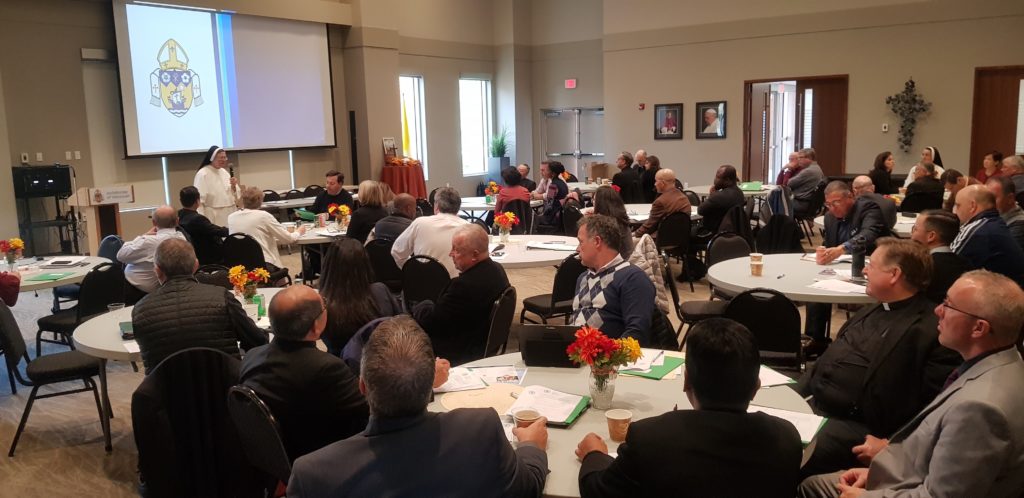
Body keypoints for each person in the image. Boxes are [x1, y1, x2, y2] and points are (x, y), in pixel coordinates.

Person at [798, 271, 1024, 498]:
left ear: (979, 328)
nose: (938, 311)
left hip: (914, 487)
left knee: (810, 486)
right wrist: (884, 468)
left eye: (949, 306)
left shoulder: (980, 409)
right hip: (910, 472)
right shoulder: (1005, 363)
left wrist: (866, 496)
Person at [287, 316, 550, 497]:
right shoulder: (481, 429)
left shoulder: (313, 474)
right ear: (431, 384)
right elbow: (526, 489)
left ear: (362, 387)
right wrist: (531, 446)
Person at [576, 318, 802, 498]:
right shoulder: (787, 438)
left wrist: (594, 454)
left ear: (686, 382)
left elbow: (598, 491)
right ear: (756, 388)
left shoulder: (651, 439)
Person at [797, 238, 961, 477]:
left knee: (779, 448)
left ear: (894, 275)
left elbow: (933, 407)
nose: (864, 270)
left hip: (861, 429)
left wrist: (892, 446)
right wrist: (794, 396)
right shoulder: (872, 308)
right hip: (813, 405)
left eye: (871, 265)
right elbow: (825, 360)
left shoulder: (931, 331)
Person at [239, 284, 369, 463]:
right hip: (320, 459)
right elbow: (370, 408)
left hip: (271, 456)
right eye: (324, 305)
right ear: (315, 326)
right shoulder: (327, 368)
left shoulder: (251, 357)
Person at [131, 238, 268, 373]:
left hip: (165, 387)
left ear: (157, 270)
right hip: (225, 383)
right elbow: (257, 340)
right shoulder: (222, 297)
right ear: (196, 265)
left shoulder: (141, 310)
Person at [805, 181, 889, 352]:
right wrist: (825, 252)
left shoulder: (868, 209)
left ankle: (860, 347)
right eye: (828, 204)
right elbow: (830, 244)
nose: (832, 208)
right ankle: (815, 341)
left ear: (850, 196)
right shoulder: (829, 218)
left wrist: (842, 249)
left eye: (836, 202)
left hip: (870, 268)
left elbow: (868, 234)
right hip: (840, 270)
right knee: (815, 292)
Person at [412, 224, 509, 365]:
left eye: (456, 250)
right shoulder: (497, 270)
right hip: (479, 340)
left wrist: (422, 306)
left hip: (457, 350)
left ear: (474, 255)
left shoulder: (464, 286)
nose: (450, 254)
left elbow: (431, 323)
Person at [572, 215, 655, 345]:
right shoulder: (583, 278)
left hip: (610, 356)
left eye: (581, 242)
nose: (577, 249)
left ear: (597, 241)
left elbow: (637, 334)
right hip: (578, 352)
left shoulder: (633, 278)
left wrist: (606, 354)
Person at [319, 238, 401, 355]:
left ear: (328, 266)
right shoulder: (381, 292)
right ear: (365, 264)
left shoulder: (321, 304)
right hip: (380, 359)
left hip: (338, 363)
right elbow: (401, 324)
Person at [950, 185, 1024, 286]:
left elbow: (948, 262)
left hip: (1000, 293)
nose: (955, 211)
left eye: (958, 205)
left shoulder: (977, 230)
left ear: (972, 206)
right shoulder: (994, 223)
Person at [391, 186, 467, 278]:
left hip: (424, 283)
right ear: (458, 207)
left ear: (436, 206)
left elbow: (397, 251)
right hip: (459, 284)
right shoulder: (469, 228)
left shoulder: (419, 223)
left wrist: (413, 271)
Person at [117, 205, 186, 300]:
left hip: (139, 292)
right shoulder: (182, 239)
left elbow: (121, 255)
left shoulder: (148, 241)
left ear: (154, 222)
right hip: (170, 291)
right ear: (177, 221)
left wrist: (143, 236)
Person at [228, 187, 305, 272]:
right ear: (260, 201)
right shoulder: (263, 216)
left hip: (238, 266)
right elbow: (288, 239)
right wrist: (299, 231)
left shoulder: (231, 217)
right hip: (262, 265)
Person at [909, 209, 973, 303]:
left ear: (931, 236)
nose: (911, 234)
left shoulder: (922, 267)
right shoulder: (965, 264)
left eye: (915, 229)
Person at [634, 168, 691, 240]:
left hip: (662, 239)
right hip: (682, 239)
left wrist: (635, 234)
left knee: (628, 242)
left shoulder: (660, 202)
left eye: (656, 181)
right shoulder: (684, 198)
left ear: (662, 183)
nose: (655, 184)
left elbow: (649, 226)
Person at [178, 186, 227, 265]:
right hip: (207, 257)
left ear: (181, 201)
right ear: (197, 201)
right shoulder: (198, 219)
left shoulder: (177, 215)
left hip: (191, 254)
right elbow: (220, 232)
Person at [192, 146, 239, 227]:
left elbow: (234, 194)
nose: (224, 160)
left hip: (229, 211)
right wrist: (200, 218)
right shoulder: (203, 173)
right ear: (212, 158)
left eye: (225, 157)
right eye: (221, 158)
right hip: (212, 214)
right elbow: (199, 198)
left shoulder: (224, 172)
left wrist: (234, 186)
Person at [697, 164, 745, 234]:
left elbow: (700, 210)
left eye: (717, 177)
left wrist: (712, 195)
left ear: (727, 180)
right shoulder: (739, 193)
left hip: (712, 233)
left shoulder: (719, 197)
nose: (715, 180)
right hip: (732, 232)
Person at [591, 185, 634, 257]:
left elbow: (595, 249)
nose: (593, 202)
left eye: (595, 200)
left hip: (617, 261)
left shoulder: (607, 225)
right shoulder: (619, 219)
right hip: (626, 259)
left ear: (601, 204)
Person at [986, 176, 1024, 250]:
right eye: (986, 198)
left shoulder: (1019, 223)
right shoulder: (991, 216)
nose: (987, 204)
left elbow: (1001, 253)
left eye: (993, 199)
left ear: (1010, 198)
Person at [789, 148, 826, 218]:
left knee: (774, 203)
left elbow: (788, 184)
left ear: (809, 158)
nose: (798, 160)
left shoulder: (808, 171)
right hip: (807, 203)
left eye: (800, 157)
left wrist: (788, 170)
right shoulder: (816, 168)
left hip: (801, 203)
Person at [538, 161, 570, 228]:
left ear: (552, 173)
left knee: (533, 219)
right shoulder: (562, 183)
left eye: (547, 170)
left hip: (553, 218)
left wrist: (541, 215)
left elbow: (549, 206)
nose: (542, 172)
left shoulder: (553, 186)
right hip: (561, 216)